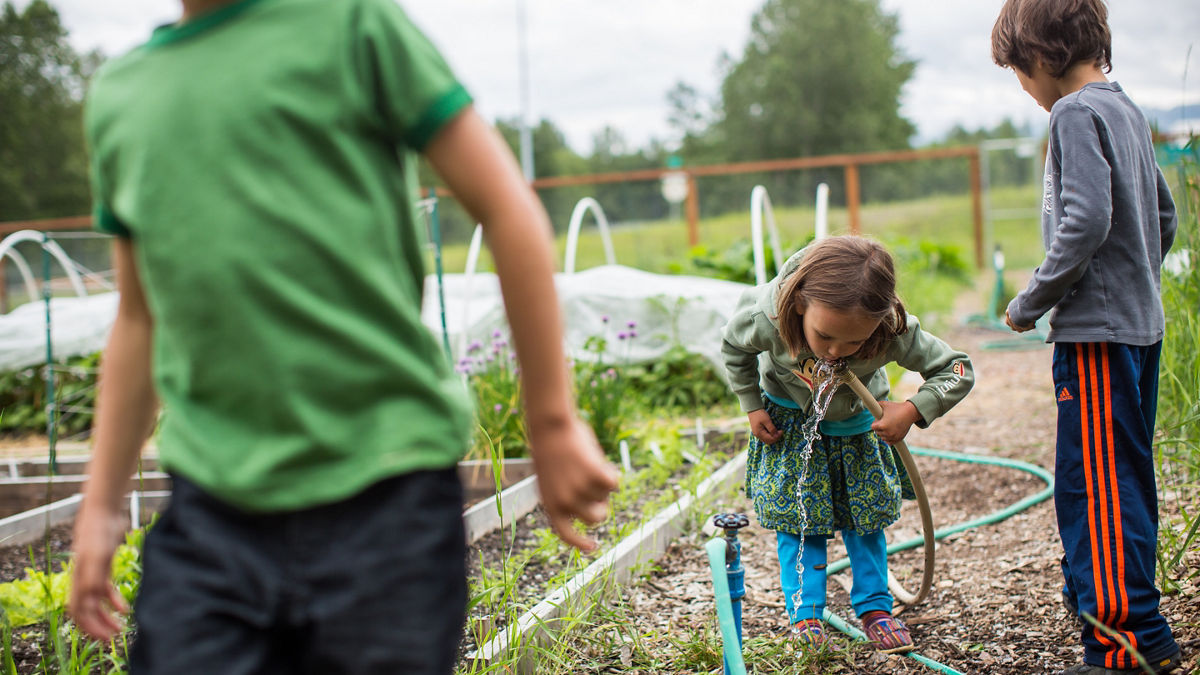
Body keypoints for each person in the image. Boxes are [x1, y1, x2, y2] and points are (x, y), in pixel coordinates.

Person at [67, 0, 619, 672]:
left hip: (386, 500)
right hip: (212, 513)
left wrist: (552, 420)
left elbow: (506, 206)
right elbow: (137, 316)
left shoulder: (351, 25)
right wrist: (99, 505)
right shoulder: (125, 96)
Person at [991, 1, 1181, 673]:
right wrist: (1135, 285)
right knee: (1121, 478)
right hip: (1138, 327)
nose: (1026, 91)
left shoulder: (1074, 112)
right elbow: (1163, 215)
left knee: (1094, 488)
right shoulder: (1126, 107)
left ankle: (1123, 646)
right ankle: (1141, 633)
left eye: (1019, 73)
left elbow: (1086, 220)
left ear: (1042, 55)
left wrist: (1030, 300)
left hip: (1097, 337)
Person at [720, 235, 974, 653]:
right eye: (825, 337)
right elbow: (734, 348)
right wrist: (751, 404)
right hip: (789, 425)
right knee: (799, 521)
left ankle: (875, 607)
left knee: (865, 520)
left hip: (858, 428)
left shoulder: (891, 329)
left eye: (854, 343)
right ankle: (806, 615)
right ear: (800, 303)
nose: (836, 353)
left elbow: (958, 368)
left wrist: (911, 409)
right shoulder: (764, 317)